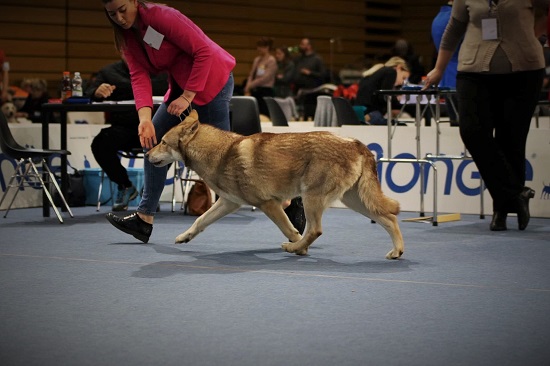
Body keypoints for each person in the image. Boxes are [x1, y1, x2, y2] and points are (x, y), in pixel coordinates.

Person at [101, 0, 305, 242]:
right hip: (180, 87)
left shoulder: (163, 16)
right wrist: (144, 119)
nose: (120, 18)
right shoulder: (127, 36)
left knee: (227, 162)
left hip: (211, 81)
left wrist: (188, 96)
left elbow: (204, 51)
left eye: (123, 10)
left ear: (134, 1)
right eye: (112, 14)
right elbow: (138, 76)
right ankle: (144, 219)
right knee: (152, 137)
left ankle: (288, 199)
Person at [424, 0, 548, 231]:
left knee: (511, 139)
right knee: (472, 131)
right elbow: (454, 28)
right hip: (473, 72)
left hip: (524, 72)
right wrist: (439, 69)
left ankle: (502, 210)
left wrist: (535, 34)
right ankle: (517, 194)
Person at [85, 59, 168, 211]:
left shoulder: (164, 70)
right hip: (124, 128)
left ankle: (150, 192)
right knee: (100, 144)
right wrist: (96, 92)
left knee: (170, 145)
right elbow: (88, 92)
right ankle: (125, 185)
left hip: (156, 129)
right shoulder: (109, 72)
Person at [354, 56, 410, 125]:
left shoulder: (375, 72)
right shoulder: (391, 71)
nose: (402, 82)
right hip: (370, 114)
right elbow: (384, 97)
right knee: (402, 125)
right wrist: (397, 99)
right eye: (403, 78)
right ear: (398, 67)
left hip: (359, 112)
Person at [431, 0, 461, 125]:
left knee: (455, 124)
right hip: (459, 75)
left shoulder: (438, 18)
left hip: (447, 77)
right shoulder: (455, 18)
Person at [292, 38, 326, 120]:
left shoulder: (317, 59)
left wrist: (310, 73)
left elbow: (323, 74)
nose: (301, 46)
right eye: (301, 44)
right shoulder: (298, 59)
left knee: (309, 115)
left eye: (303, 44)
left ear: (309, 46)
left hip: (312, 92)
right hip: (299, 91)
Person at [244, 37, 277, 117]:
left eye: (261, 47)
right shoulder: (257, 59)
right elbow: (251, 74)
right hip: (256, 91)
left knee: (265, 114)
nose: (258, 49)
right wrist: (247, 86)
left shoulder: (271, 60)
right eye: (258, 46)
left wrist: (251, 85)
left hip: (265, 91)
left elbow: (266, 78)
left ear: (267, 47)